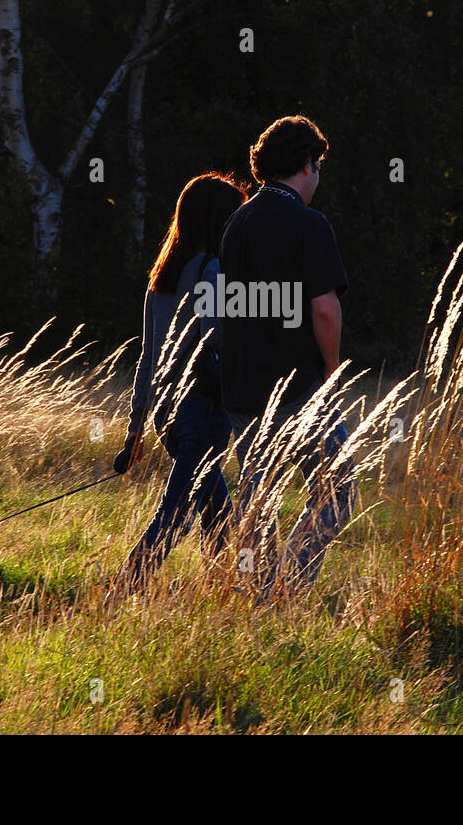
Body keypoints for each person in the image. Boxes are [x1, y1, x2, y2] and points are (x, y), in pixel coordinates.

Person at [219, 115, 354, 602]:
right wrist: (333, 370)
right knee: (338, 492)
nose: (318, 178)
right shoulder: (309, 223)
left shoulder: (238, 221)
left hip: (241, 386)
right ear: (306, 165)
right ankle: (289, 591)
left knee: (259, 501)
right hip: (297, 387)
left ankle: (259, 600)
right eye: (318, 166)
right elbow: (324, 307)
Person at [107, 173, 247, 607]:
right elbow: (217, 341)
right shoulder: (214, 271)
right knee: (174, 517)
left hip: (166, 414)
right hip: (203, 411)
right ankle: (115, 601)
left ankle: (220, 598)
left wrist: (134, 431)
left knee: (219, 513)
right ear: (219, 220)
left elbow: (147, 360)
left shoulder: (160, 280)